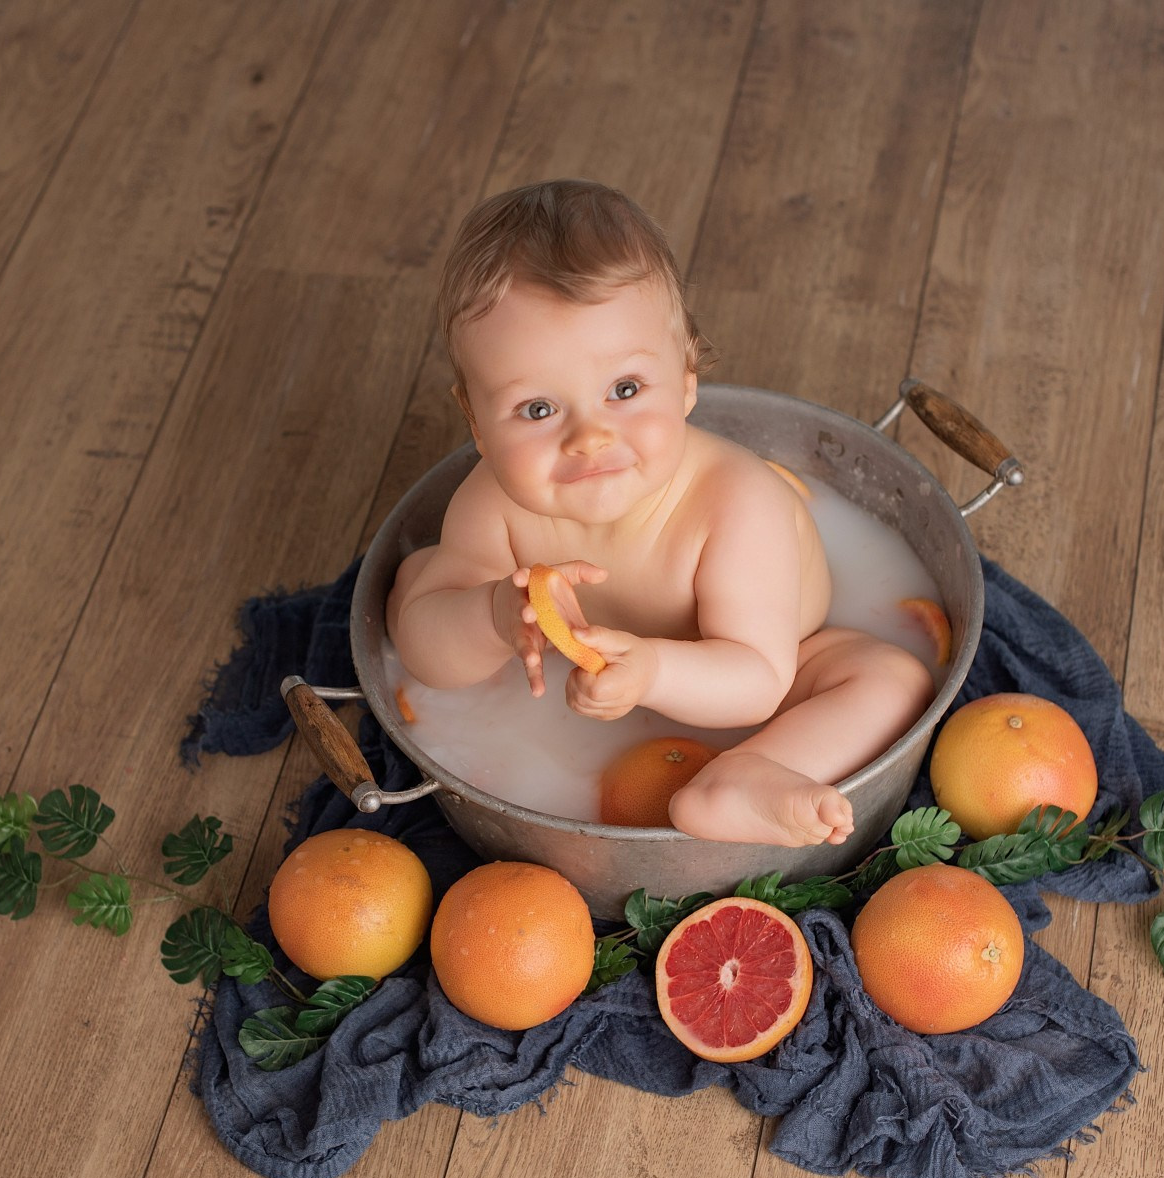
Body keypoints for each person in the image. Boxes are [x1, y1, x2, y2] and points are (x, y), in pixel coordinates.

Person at [386, 180, 934, 847]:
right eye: (537, 409)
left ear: (686, 380)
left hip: (771, 665)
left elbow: (758, 678)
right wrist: (493, 613)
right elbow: (428, 661)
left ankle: (752, 774)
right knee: (419, 586)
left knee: (891, 678)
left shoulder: (735, 502)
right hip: (618, 675)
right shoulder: (493, 503)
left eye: (624, 390)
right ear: (475, 419)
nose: (588, 436)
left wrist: (652, 671)